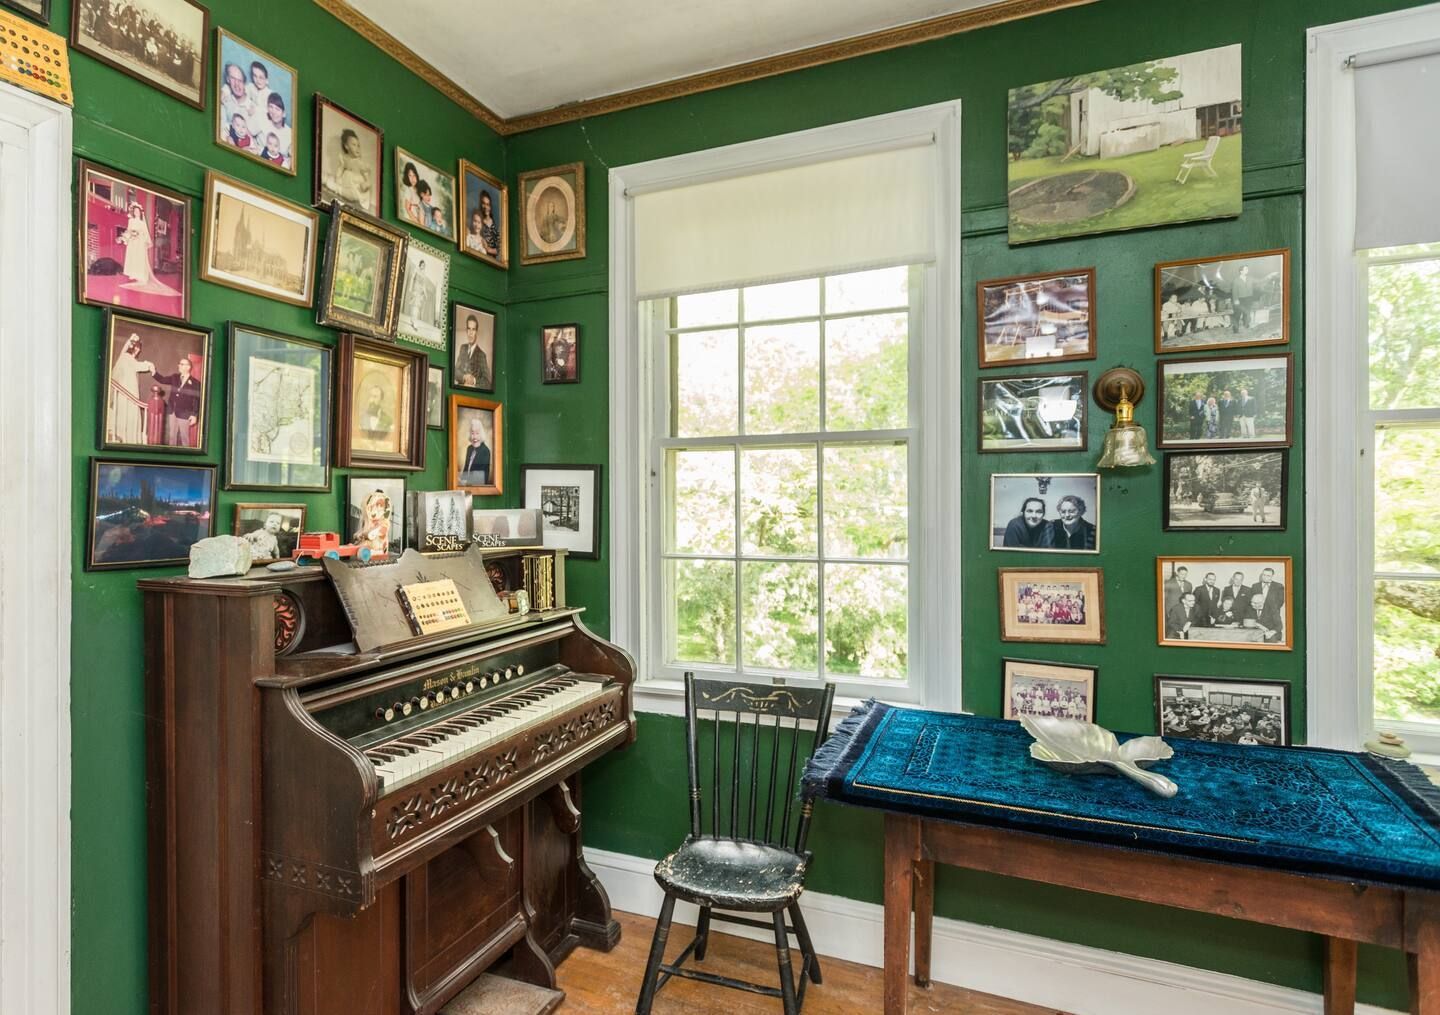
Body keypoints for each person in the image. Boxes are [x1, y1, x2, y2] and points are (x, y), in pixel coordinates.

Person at [150, 356, 202, 448]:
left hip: (185, 413)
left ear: (188, 367)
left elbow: (196, 400)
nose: (179, 366)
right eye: (179, 364)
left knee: (184, 438)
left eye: (182, 364)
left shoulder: (196, 383)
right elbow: (162, 379)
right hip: (172, 411)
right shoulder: (175, 377)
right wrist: (154, 372)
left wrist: (194, 415)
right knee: (172, 436)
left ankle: (187, 458)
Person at [324, 128, 373, 208]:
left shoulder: (360, 163)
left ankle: (337, 188)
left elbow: (368, 180)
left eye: (358, 145)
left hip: (358, 190)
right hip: (347, 185)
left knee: (353, 195)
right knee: (342, 175)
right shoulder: (344, 159)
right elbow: (340, 169)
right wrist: (338, 179)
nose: (357, 148)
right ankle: (335, 184)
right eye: (354, 145)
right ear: (346, 146)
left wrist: (365, 185)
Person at [119, 202, 156, 287]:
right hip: (133, 241)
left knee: (139, 257)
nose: (136, 212)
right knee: (133, 256)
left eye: (138, 211)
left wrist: (142, 237)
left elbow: (145, 233)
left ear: (140, 212)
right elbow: (129, 230)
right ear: (133, 212)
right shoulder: (131, 220)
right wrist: (125, 238)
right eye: (135, 211)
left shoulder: (142, 223)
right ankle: (133, 273)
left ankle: (139, 274)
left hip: (140, 242)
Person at [111, 334, 155, 399]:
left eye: (139, 348)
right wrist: (150, 365)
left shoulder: (129, 358)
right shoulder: (126, 357)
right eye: (136, 347)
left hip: (130, 389)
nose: (138, 350)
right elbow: (138, 366)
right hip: (126, 389)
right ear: (131, 347)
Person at [455, 314, 491, 389]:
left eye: (473, 329)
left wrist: (473, 381)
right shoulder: (463, 348)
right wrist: (464, 377)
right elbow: (455, 371)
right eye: (469, 329)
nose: (470, 333)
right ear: (466, 331)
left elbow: (487, 381)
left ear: (476, 332)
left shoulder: (481, 355)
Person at [220, 63, 253, 141]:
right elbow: (221, 128)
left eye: (240, 80)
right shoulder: (225, 99)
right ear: (228, 79)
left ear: (244, 83)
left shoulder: (252, 108)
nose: (237, 84)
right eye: (233, 78)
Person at [353, 490, 392, 555]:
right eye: (372, 507)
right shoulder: (370, 522)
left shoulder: (384, 523)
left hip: (378, 552)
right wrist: (359, 535)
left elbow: (371, 534)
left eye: (380, 507)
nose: (374, 510)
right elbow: (363, 533)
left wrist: (363, 535)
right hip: (369, 552)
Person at [402, 258, 437, 329]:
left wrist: (425, 294)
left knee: (417, 307)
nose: (423, 267)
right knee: (414, 306)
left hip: (420, 292)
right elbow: (412, 278)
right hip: (415, 289)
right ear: (420, 265)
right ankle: (413, 321)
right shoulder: (416, 270)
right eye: (422, 265)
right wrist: (410, 288)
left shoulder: (424, 274)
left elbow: (424, 285)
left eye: (424, 266)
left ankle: (414, 321)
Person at [467, 190, 500, 258]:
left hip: (492, 259)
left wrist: (488, 249)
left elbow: (500, 249)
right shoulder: (477, 220)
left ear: (490, 206)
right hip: (480, 255)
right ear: (480, 204)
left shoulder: (494, 224)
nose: (485, 207)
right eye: (483, 203)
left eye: (488, 204)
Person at [459, 416, 491, 486]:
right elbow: (465, 469)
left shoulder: (485, 451)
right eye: (472, 433)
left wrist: (465, 480)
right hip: (467, 486)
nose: (474, 437)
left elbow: (480, 477)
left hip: (479, 488)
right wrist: (461, 479)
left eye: (477, 433)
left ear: (481, 434)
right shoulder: (469, 449)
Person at [262, 92, 290, 168]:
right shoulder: (263, 120)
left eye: (277, 109)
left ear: (284, 113)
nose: (273, 112)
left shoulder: (290, 133)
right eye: (271, 107)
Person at [1231, 264, 1255, 333]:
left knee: (1247, 313)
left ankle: (1246, 325)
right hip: (1239, 299)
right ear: (1241, 271)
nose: (1247, 270)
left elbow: (1259, 281)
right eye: (1246, 269)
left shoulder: (1250, 278)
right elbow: (1234, 291)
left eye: (1247, 269)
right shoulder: (1236, 280)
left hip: (1248, 299)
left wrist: (1268, 277)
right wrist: (1236, 300)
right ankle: (1235, 328)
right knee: (1237, 314)